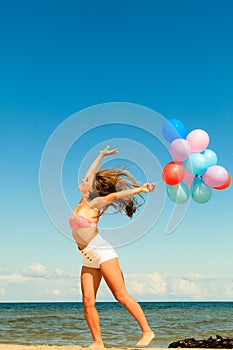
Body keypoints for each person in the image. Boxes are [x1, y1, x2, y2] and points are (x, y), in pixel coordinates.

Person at [69, 146, 156, 349]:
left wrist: (140, 189)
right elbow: (90, 174)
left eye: (85, 182)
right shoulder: (81, 202)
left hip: (102, 252)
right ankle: (98, 342)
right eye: (84, 180)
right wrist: (100, 155)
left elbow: (114, 197)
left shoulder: (95, 203)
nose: (83, 181)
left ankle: (147, 331)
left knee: (120, 295)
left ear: (91, 189)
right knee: (88, 301)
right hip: (87, 256)